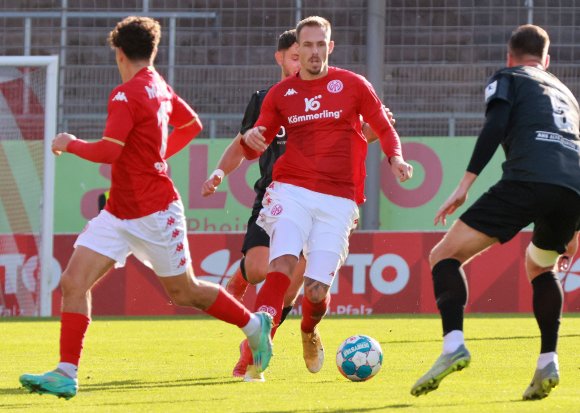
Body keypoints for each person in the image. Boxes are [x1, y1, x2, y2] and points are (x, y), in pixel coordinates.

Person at [19, 16, 273, 400]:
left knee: (185, 292)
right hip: (119, 212)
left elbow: (108, 151)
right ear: (150, 52)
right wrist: (156, 156)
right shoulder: (159, 86)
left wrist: (68, 142)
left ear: (119, 54)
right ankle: (66, 373)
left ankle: (254, 326)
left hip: (155, 212)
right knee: (73, 282)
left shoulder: (126, 94)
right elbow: (191, 125)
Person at [201, 28, 395, 381]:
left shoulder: (341, 91)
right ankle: (246, 291)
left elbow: (364, 131)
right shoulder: (268, 98)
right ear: (284, 57)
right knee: (269, 265)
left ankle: (279, 340)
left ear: (328, 49)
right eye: (299, 51)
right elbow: (242, 144)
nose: (306, 57)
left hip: (328, 197)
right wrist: (219, 170)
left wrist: (375, 140)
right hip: (278, 191)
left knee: (306, 287)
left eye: (316, 47)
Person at [410, 24, 580, 400]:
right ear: (546, 60)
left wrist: (464, 185)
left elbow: (496, 124)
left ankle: (453, 345)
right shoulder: (567, 94)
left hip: (527, 179)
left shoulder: (508, 76)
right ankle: (547, 360)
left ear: (510, 56)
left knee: (444, 255)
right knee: (540, 266)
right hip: (573, 189)